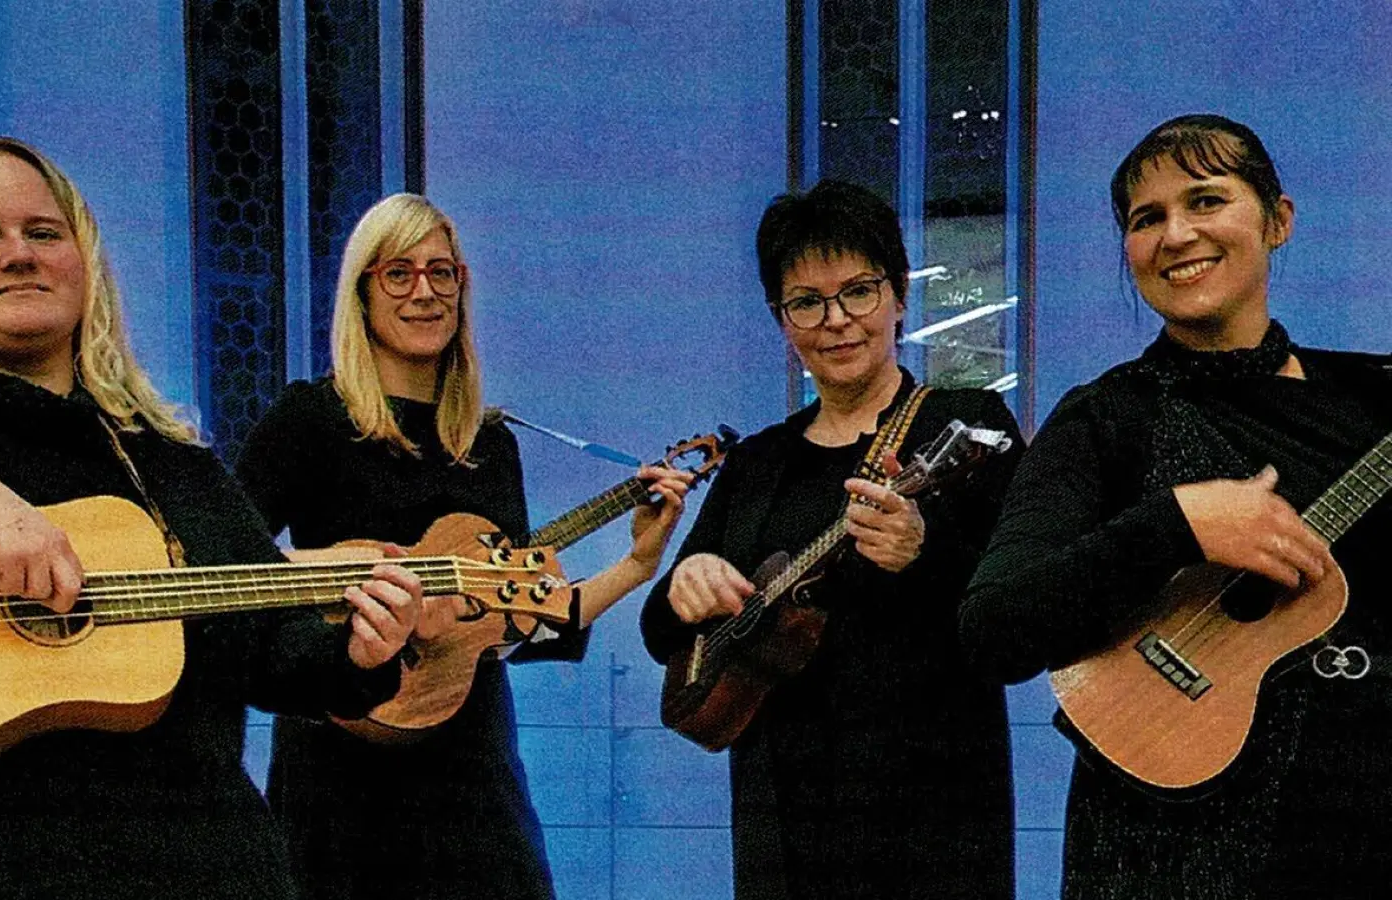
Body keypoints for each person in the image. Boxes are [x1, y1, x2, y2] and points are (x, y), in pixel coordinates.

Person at [0, 136, 423, 899]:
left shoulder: (167, 463)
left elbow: (264, 651)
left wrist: (360, 653)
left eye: (44, 232)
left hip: (179, 868)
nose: (18, 254)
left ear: (84, 261)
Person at [961, 114, 1392, 898]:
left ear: (1277, 219)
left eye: (1205, 200)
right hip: (1166, 859)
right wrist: (1177, 524)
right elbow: (993, 628)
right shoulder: (1104, 417)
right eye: (1145, 218)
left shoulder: (1375, 398)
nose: (1175, 234)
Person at [234, 192, 694, 899]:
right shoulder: (309, 420)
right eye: (399, 273)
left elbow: (514, 621)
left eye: (440, 273)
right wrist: (343, 577)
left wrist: (636, 564)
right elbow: (226, 566)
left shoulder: (488, 443)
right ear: (362, 290)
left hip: (470, 766)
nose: (424, 292)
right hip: (337, 771)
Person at [639, 179, 1022, 899]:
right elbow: (663, 634)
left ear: (900, 295)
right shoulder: (756, 463)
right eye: (806, 302)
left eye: (859, 291)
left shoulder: (969, 424)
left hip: (935, 814)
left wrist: (923, 553)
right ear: (780, 320)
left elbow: (1020, 614)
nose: (836, 320)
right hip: (780, 817)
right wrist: (683, 588)